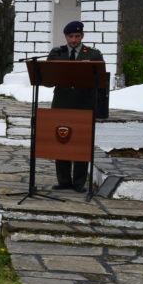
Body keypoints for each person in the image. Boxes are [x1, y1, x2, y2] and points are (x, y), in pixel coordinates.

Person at [47, 20, 104, 191]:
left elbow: (100, 80)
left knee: (81, 143)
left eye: (77, 36)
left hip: (83, 103)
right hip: (62, 103)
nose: (74, 40)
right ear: (65, 36)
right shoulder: (57, 53)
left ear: (82, 36)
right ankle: (63, 181)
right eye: (70, 36)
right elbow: (48, 80)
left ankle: (79, 182)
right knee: (61, 141)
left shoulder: (93, 54)